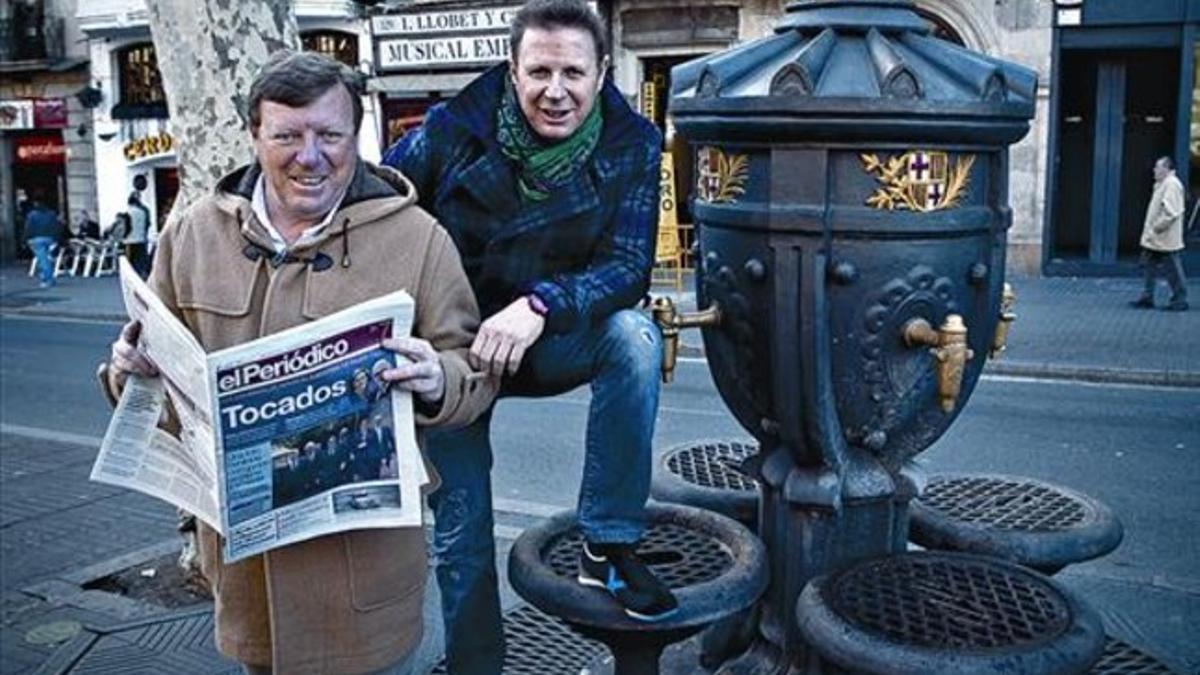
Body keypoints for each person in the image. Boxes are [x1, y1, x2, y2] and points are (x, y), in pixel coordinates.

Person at [102, 50, 497, 675]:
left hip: (365, 589)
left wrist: (436, 379)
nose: (309, 156)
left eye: (329, 135)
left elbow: (473, 373)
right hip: (246, 586)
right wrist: (128, 369)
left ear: (357, 136)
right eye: (286, 135)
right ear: (255, 135)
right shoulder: (191, 233)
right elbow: (148, 368)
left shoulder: (420, 238)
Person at [383, 1, 673, 670]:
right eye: (538, 70)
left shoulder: (634, 142)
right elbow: (374, 194)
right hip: (455, 349)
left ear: (601, 73)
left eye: (573, 71)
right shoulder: (451, 127)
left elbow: (629, 268)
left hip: (549, 333)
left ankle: (607, 544)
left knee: (634, 336)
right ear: (512, 71)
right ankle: (476, 662)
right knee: (462, 529)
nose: (556, 90)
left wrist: (541, 302)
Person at [1131, 156, 1189, 311]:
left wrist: (1156, 228)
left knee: (1173, 269)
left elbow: (1171, 212)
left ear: (1167, 169)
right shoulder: (1163, 184)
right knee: (1150, 267)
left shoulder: (1171, 185)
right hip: (1156, 238)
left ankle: (1179, 300)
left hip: (1164, 238)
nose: (1154, 170)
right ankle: (1147, 297)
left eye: (1158, 167)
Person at [24, 196, 62, 288]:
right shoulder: (51, 214)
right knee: (47, 258)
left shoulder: (32, 215)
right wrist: (56, 239)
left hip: (36, 239)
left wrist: (26, 239)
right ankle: (48, 277)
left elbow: (28, 228)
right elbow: (56, 227)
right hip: (49, 238)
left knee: (43, 260)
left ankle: (47, 279)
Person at [124, 191, 151, 277]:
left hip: (130, 240)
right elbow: (147, 224)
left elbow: (126, 227)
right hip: (141, 239)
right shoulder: (144, 211)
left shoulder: (127, 213)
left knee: (130, 261)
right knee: (141, 260)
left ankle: (131, 276)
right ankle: (143, 275)